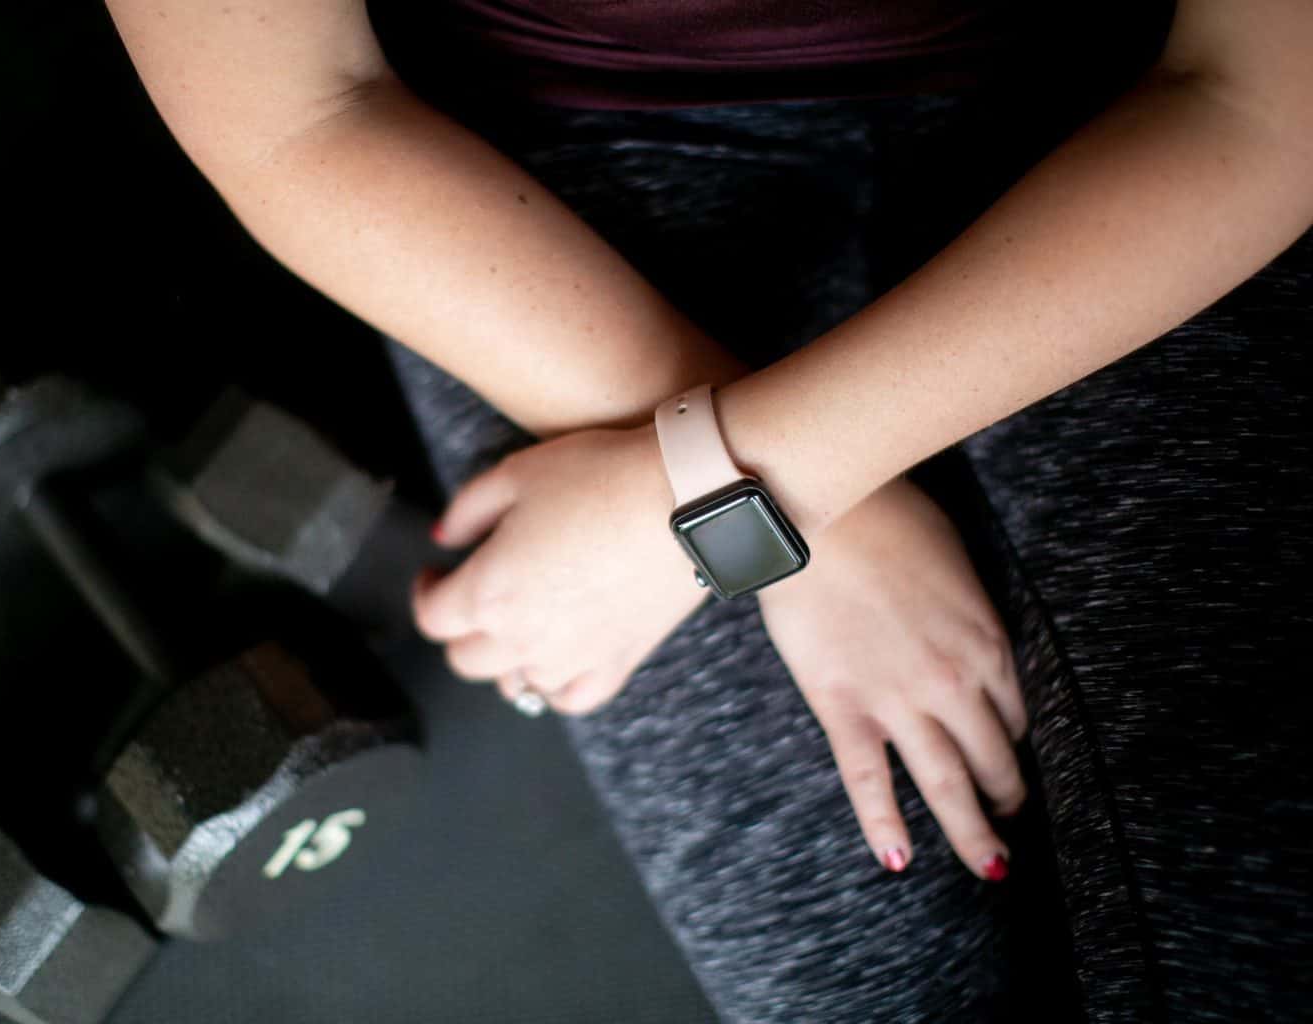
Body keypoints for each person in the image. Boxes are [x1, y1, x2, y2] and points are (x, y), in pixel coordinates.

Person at [105, 1, 1313, 1018]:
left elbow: (1263, 107)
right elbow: (295, 116)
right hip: (556, 177)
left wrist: (753, 495)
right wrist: (810, 535)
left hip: (1128, 128)